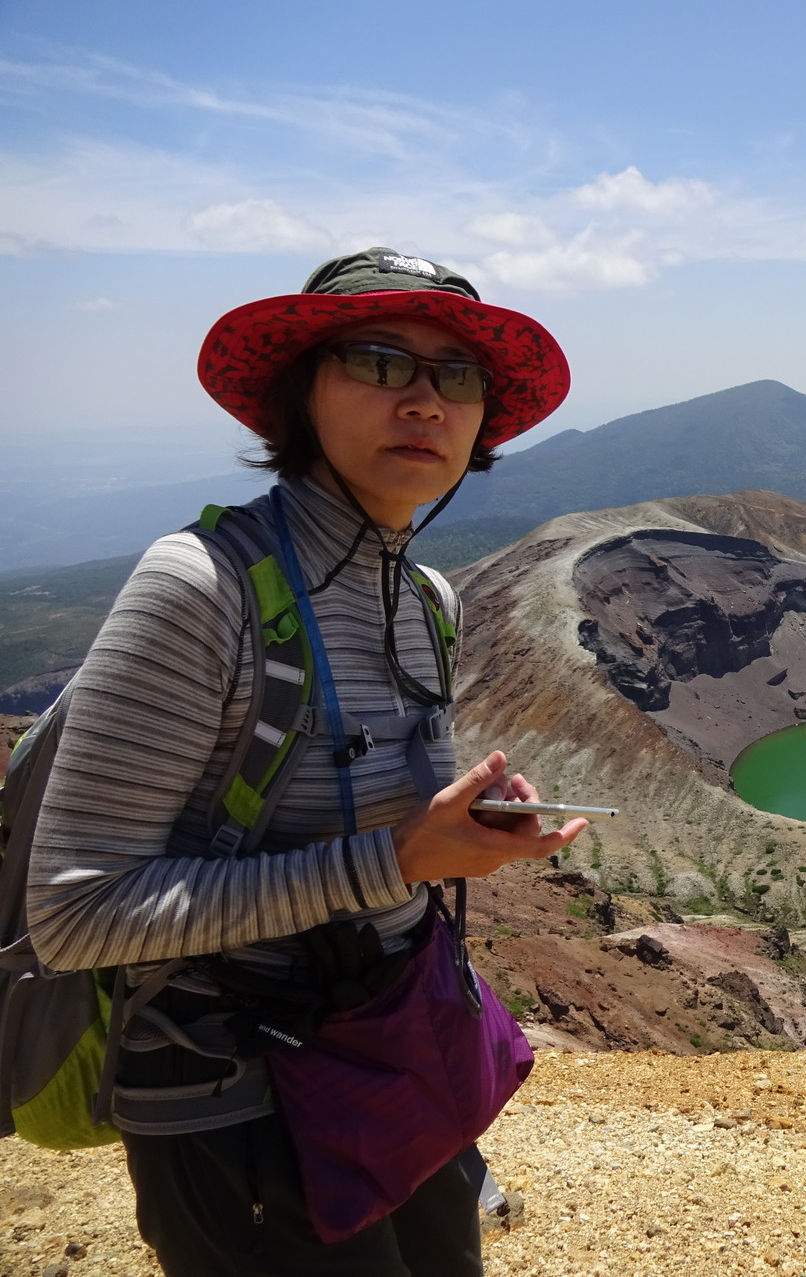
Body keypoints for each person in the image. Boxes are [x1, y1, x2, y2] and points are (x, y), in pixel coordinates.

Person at [26, 247, 584, 1275]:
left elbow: (387, 824)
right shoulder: (199, 588)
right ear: (301, 394)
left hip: (390, 1061)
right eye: (378, 361)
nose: (423, 399)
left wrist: (474, 820)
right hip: (231, 1098)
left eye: (456, 374)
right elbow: (74, 914)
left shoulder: (428, 596)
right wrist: (397, 861)